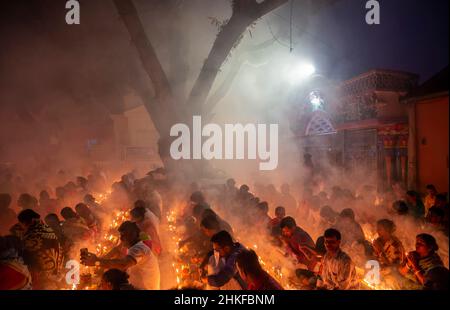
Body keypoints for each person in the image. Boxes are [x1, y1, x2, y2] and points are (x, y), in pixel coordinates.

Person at [81, 221, 160, 290]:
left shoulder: (139, 248)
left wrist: (96, 261)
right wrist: (95, 277)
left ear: (133, 235)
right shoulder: (132, 245)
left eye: (124, 235)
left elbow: (123, 264)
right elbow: (117, 251)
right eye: (121, 235)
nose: (121, 238)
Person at [18, 209, 64, 289]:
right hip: (57, 274)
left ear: (30, 221)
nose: (23, 227)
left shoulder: (31, 236)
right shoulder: (48, 229)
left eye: (23, 223)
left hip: (41, 279)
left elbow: (26, 258)